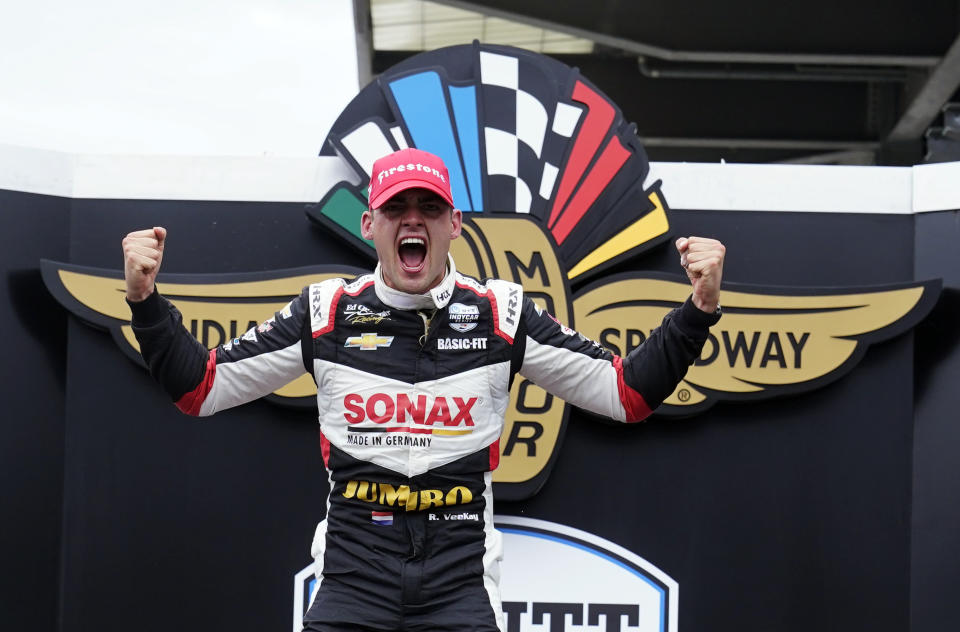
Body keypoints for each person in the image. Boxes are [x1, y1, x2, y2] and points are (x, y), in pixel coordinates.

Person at [122, 147, 725, 632]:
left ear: (454, 225)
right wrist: (145, 301)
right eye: (396, 207)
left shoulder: (502, 314)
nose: (413, 219)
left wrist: (698, 309)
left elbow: (627, 394)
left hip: (458, 587)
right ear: (370, 224)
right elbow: (199, 388)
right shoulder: (326, 310)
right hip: (353, 580)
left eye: (430, 207)